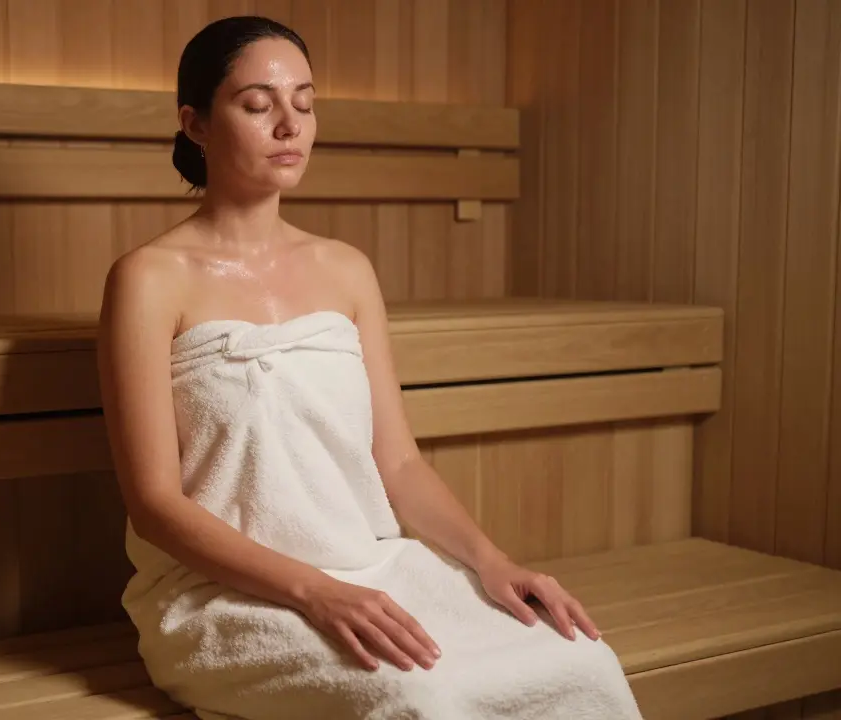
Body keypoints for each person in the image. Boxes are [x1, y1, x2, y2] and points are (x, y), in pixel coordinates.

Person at [96, 15, 644, 720]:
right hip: (222, 594)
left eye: (305, 101)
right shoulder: (148, 280)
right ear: (195, 123)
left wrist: (493, 561)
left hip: (372, 565)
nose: (289, 124)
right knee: (416, 696)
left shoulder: (346, 270)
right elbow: (154, 503)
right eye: (259, 105)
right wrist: (312, 591)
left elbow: (401, 465)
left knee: (580, 661)